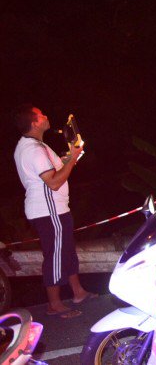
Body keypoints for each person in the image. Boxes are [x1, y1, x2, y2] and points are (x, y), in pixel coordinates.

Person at [13, 104, 95, 318]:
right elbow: (54, 183)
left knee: (66, 250)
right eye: (41, 115)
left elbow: (56, 171)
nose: (46, 115)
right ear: (34, 123)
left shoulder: (35, 145)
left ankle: (78, 292)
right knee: (55, 256)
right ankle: (55, 304)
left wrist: (72, 156)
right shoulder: (34, 150)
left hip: (55, 209)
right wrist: (74, 158)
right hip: (49, 211)